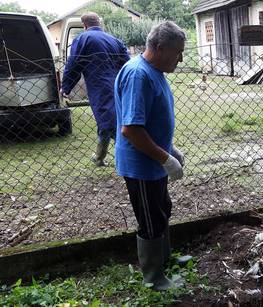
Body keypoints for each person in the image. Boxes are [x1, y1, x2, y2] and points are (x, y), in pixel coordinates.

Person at [114, 21, 186, 291]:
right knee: (150, 219)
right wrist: (165, 158)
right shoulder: (138, 75)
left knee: (162, 210)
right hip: (141, 164)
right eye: (177, 52)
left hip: (153, 160)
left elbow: (151, 120)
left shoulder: (154, 71)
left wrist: (170, 148)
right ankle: (154, 277)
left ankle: (164, 259)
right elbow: (131, 129)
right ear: (159, 47)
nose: (180, 58)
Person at [61, 12, 130, 166]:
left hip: (100, 89)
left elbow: (73, 65)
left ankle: (131, 155)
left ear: (84, 25)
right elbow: (127, 63)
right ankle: (99, 157)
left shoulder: (82, 39)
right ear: (99, 23)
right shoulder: (114, 40)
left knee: (108, 123)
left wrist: (66, 87)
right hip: (118, 86)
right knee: (107, 121)